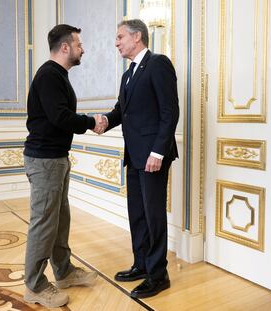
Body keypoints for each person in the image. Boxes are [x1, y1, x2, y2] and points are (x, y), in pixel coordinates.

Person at [95, 19, 179, 299]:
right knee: (137, 214)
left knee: (154, 216)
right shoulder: (128, 74)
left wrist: (158, 151)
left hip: (153, 156)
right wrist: (104, 121)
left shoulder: (158, 64)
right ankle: (141, 264)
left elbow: (170, 111)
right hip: (134, 155)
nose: (116, 42)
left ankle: (158, 275)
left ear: (137, 36)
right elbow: (123, 110)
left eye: (120, 37)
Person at [23, 24, 101, 308]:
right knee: (44, 223)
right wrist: (92, 122)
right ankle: (34, 286)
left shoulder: (58, 75)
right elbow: (60, 117)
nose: (83, 49)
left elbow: (61, 116)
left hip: (55, 158)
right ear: (65, 47)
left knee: (59, 220)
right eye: (79, 44)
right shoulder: (49, 75)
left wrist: (89, 121)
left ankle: (64, 272)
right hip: (44, 160)